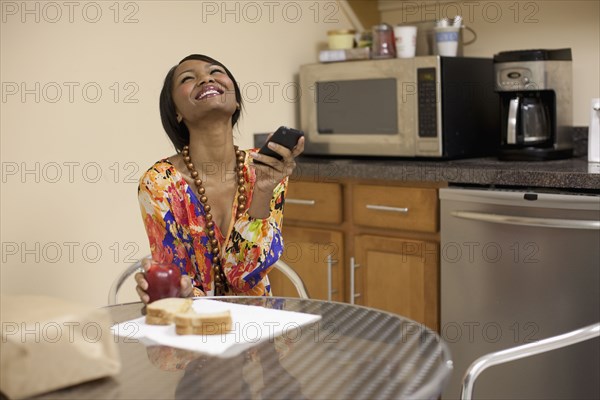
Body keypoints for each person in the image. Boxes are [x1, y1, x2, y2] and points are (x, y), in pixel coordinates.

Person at [135, 54, 304, 302]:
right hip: (194, 327)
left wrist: (264, 189)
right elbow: (176, 286)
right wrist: (174, 288)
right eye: (188, 78)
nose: (206, 78)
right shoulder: (160, 183)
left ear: (236, 102)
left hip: (260, 325)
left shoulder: (266, 168)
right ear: (176, 112)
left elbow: (244, 275)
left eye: (215, 71)